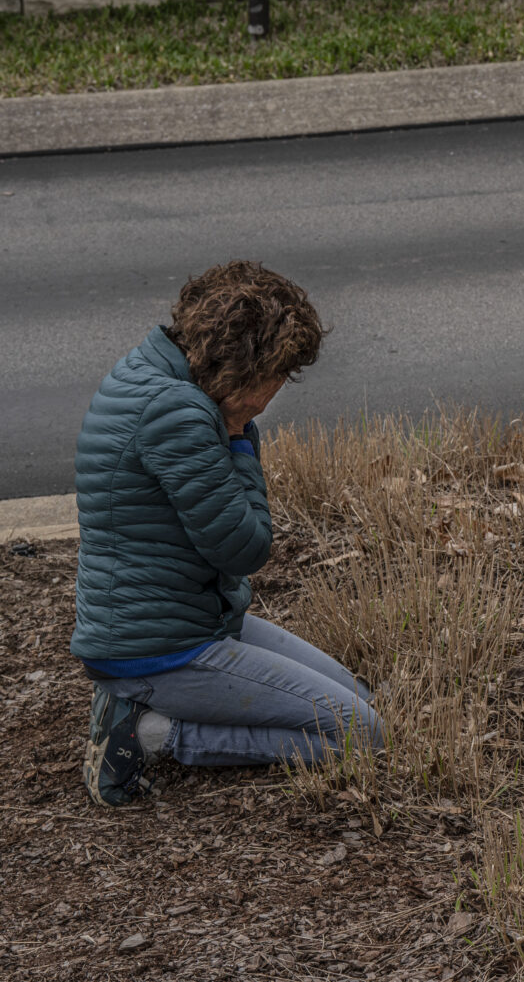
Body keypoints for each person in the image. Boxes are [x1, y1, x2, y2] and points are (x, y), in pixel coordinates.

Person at [73, 260, 384, 807]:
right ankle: (147, 732)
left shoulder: (147, 372)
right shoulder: (180, 413)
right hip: (161, 651)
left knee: (356, 698)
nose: (276, 392)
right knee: (364, 736)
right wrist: (239, 436)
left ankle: (135, 707)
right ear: (247, 366)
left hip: (184, 621)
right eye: (278, 375)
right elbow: (244, 547)